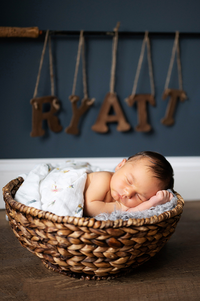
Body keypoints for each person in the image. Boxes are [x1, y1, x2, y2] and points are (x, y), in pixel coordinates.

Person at [84, 151, 174, 217]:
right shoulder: (103, 178)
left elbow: (133, 212)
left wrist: (152, 202)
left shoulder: (126, 203)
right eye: (129, 181)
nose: (128, 193)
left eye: (139, 196)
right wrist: (120, 207)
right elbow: (89, 208)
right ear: (120, 166)